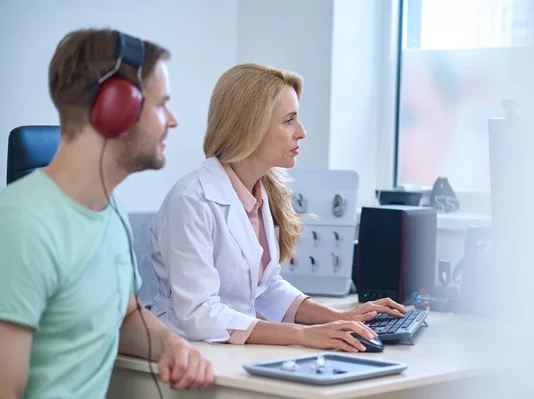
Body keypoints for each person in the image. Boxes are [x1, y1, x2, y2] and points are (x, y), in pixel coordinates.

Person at [0, 28, 214, 399]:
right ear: (118, 108)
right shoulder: (22, 225)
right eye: (161, 105)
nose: (173, 121)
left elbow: (125, 315)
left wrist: (171, 345)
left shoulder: (110, 208)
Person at [150, 63, 407, 352]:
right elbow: (199, 314)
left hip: (230, 352)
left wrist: (341, 318)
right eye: (289, 120)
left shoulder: (260, 191)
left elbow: (268, 289)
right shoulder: (191, 201)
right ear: (250, 128)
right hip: (188, 354)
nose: (302, 132)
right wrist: (303, 335)